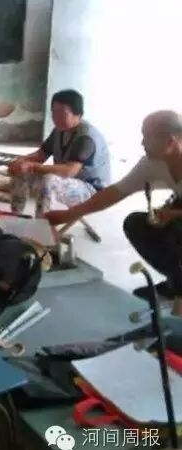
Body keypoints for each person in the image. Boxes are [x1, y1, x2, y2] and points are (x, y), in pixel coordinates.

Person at [46, 110, 182, 315]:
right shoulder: (152, 164)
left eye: (146, 137)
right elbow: (115, 193)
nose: (142, 142)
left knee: (177, 229)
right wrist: (66, 215)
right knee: (137, 224)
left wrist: (174, 215)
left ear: (170, 142)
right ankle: (177, 281)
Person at [7, 89, 110, 217]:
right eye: (53, 112)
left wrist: (32, 166)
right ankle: (17, 216)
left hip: (92, 190)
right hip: (68, 181)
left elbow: (69, 171)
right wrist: (21, 161)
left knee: (47, 180)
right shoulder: (59, 130)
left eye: (62, 112)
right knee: (21, 172)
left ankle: (42, 222)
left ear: (78, 113)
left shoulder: (86, 137)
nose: (56, 117)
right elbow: (41, 155)